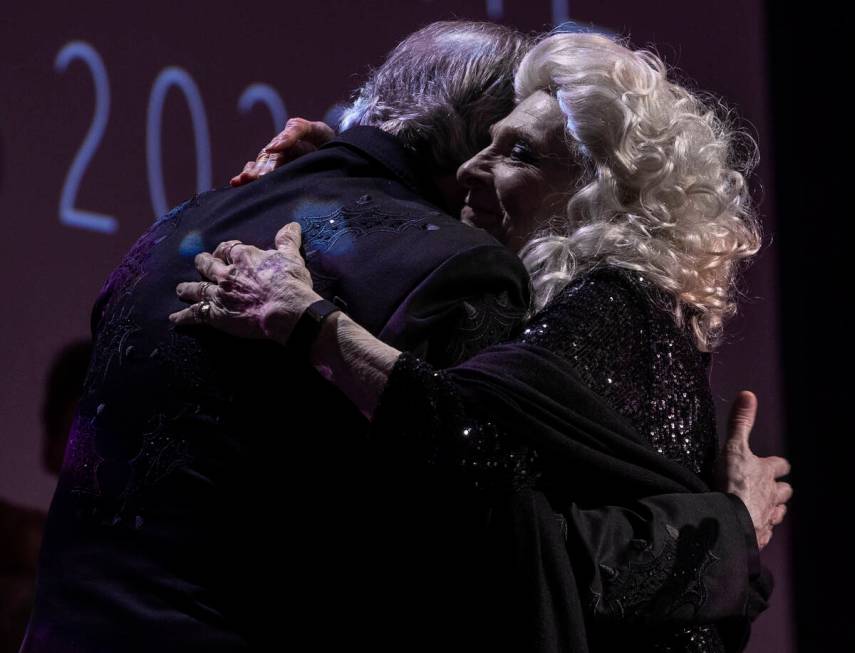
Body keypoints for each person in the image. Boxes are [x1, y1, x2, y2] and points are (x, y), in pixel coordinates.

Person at [172, 31, 790, 652]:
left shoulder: (617, 303)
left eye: (517, 151)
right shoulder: (631, 310)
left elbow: (470, 437)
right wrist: (352, 165)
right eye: (484, 143)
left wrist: (303, 318)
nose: (470, 167)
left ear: (597, 190)